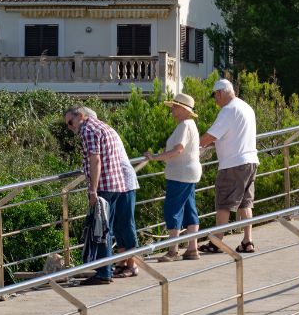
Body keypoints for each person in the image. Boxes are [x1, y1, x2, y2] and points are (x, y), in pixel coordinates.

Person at [65, 105, 139, 284]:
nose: (69, 127)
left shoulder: (88, 130)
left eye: (70, 122)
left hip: (106, 185)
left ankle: (103, 273)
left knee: (102, 229)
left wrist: (92, 190)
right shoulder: (105, 127)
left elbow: (95, 160)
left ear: (80, 116)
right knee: (119, 226)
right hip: (119, 183)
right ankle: (126, 265)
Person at [198, 78, 259, 253]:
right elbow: (228, 136)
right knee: (245, 203)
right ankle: (248, 241)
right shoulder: (246, 107)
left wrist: (194, 145)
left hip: (233, 164)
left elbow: (211, 136)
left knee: (224, 203)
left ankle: (217, 242)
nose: (215, 100)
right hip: (250, 161)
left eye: (215, 96)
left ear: (222, 93)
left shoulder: (228, 110)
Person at [143, 92, 202, 261]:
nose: (172, 110)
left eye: (175, 107)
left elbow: (178, 149)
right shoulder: (191, 125)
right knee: (190, 210)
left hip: (180, 174)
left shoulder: (184, 126)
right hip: (189, 173)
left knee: (173, 209)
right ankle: (192, 248)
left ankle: (173, 250)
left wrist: (155, 157)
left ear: (184, 110)